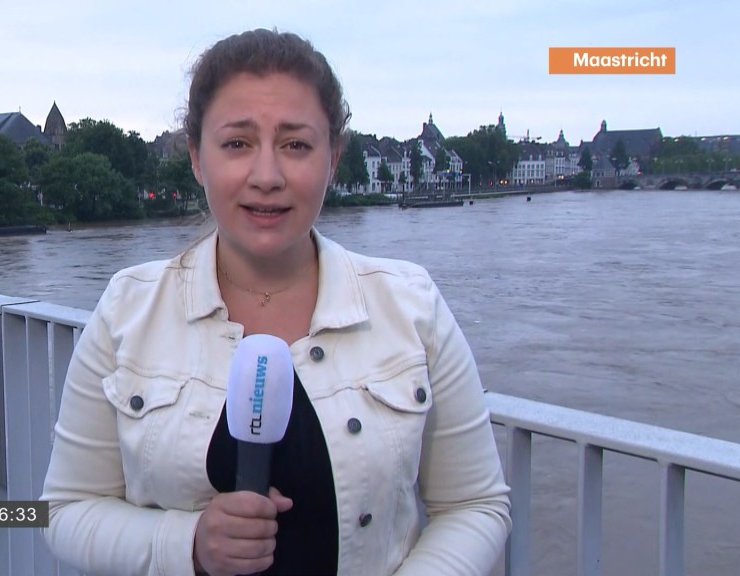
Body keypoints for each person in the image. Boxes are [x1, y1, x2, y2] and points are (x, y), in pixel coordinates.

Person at [41, 28, 511, 576]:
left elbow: (476, 505)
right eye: (237, 144)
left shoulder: (412, 307)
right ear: (197, 158)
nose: (267, 176)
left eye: (296, 145)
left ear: (333, 159)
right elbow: (59, 512)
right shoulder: (127, 310)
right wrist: (187, 544)